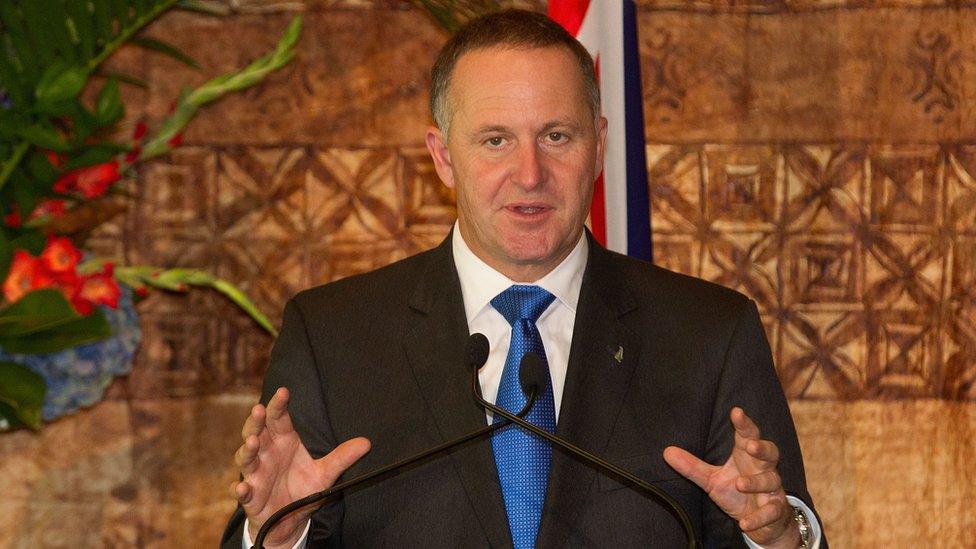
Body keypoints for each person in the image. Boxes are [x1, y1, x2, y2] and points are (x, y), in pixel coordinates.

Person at [221, 9, 825, 549]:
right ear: (443, 157)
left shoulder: (709, 335)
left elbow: (772, 522)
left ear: (599, 146)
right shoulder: (334, 338)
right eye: (496, 140)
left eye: (556, 136)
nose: (530, 173)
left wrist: (774, 539)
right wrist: (280, 535)